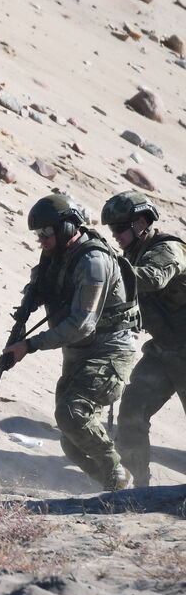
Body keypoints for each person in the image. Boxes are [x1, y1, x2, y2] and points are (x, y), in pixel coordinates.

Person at [2, 194, 137, 490]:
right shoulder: (56, 256)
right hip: (79, 353)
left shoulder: (93, 261)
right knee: (71, 441)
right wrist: (29, 304)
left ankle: (118, 474)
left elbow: (82, 325)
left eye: (47, 233)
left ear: (66, 227)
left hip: (108, 350)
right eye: (39, 234)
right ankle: (109, 485)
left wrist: (29, 345)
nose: (42, 240)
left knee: (72, 413)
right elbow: (41, 284)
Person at [100, 190, 185, 486]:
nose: (116, 236)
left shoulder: (167, 250)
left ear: (140, 223)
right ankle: (138, 486)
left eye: (120, 228)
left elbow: (150, 279)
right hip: (164, 353)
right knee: (132, 412)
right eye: (112, 230)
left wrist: (106, 270)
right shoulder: (130, 257)